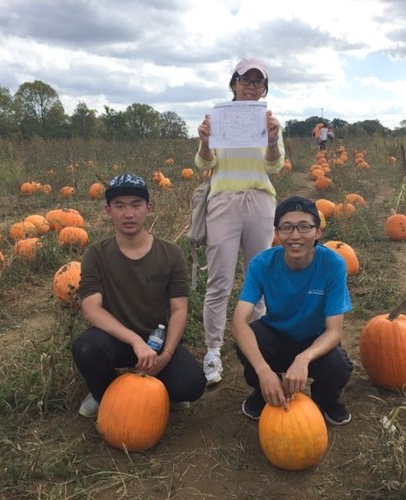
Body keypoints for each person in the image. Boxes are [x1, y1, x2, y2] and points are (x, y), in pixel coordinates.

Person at [72, 174, 206, 418]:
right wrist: (135, 341)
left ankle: (158, 389)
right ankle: (106, 392)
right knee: (88, 347)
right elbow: (91, 309)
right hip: (117, 339)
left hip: (157, 341)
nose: (128, 213)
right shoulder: (96, 254)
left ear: (148, 208)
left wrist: (165, 355)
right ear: (108, 211)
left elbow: (179, 309)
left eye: (135, 204)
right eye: (119, 206)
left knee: (192, 385)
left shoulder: (171, 253)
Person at [194, 57, 285, 386]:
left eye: (257, 82)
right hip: (224, 201)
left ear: (264, 89)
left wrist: (273, 139)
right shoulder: (217, 117)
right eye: (245, 80)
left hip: (260, 201)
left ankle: (259, 344)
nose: (251, 86)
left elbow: (274, 168)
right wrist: (205, 140)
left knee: (258, 278)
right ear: (233, 83)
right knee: (219, 280)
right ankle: (213, 350)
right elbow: (204, 163)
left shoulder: (269, 121)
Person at [232, 196, 353, 425]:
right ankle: (264, 390)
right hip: (276, 337)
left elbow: (334, 332)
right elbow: (239, 322)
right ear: (277, 233)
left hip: (314, 340)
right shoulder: (262, 263)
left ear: (318, 232)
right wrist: (263, 371)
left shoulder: (334, 265)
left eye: (304, 227)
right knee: (248, 340)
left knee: (338, 365)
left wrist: (303, 358)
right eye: (287, 227)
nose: (295, 235)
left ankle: (325, 400)